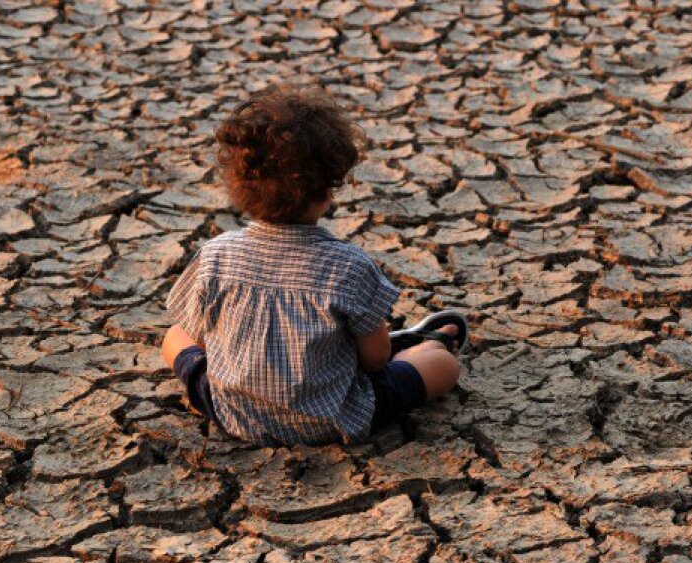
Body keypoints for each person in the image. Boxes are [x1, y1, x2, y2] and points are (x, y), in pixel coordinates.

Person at [159, 82, 464, 446]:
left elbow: (199, 338)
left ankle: (408, 344)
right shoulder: (348, 267)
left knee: (173, 336)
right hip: (331, 418)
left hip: (233, 414)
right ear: (327, 190)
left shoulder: (215, 256)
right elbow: (375, 360)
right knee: (443, 365)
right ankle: (422, 345)